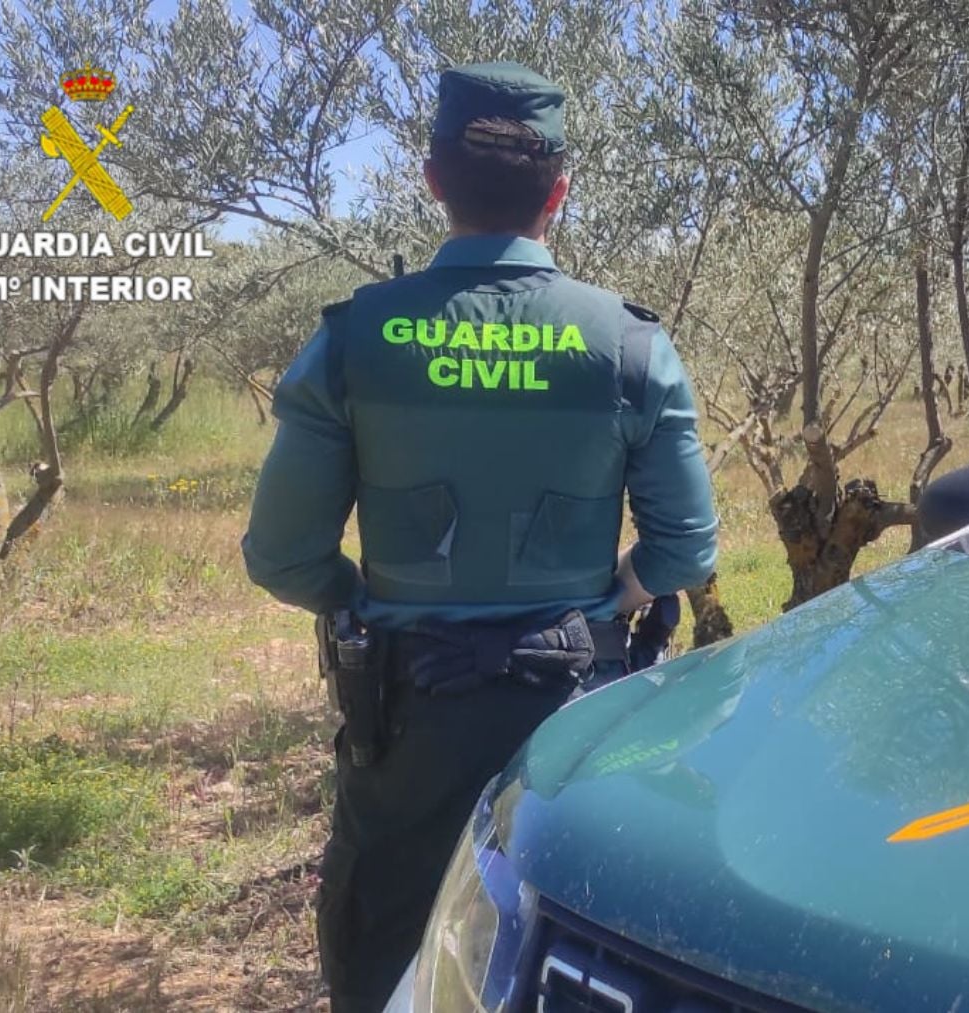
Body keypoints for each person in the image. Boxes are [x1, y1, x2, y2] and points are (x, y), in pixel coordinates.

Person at [240, 60, 718, 1013]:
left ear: (431, 181)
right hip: (572, 709)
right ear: (560, 193)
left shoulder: (354, 338)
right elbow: (684, 552)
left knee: (390, 942)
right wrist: (610, 598)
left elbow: (283, 554)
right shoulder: (628, 346)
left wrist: (370, 603)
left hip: (407, 713)